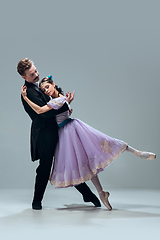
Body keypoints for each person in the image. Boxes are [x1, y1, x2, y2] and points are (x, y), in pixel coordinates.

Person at [21, 76, 156, 210]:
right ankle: (101, 192)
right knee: (89, 158)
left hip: (68, 132)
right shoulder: (61, 98)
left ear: (53, 84)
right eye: (44, 90)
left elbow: (39, 111)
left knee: (98, 147)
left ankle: (136, 153)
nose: (46, 91)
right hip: (72, 128)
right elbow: (61, 109)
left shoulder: (58, 100)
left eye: (47, 87)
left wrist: (26, 98)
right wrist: (67, 104)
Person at [17, 58, 101, 210]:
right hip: (45, 134)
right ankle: (37, 201)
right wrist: (65, 106)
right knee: (45, 167)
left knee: (68, 162)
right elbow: (44, 114)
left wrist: (64, 105)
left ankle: (87, 194)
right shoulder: (28, 91)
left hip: (56, 130)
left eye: (35, 71)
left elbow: (53, 104)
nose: (36, 74)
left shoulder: (40, 86)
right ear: (24, 77)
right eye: (32, 74)